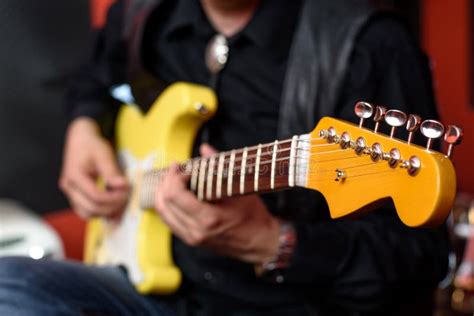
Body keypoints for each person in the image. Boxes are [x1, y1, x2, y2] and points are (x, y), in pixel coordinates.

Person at [0, 0, 449, 315]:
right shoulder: (142, 12)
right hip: (145, 286)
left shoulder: (367, 45)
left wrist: (275, 243)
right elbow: (93, 81)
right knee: (11, 282)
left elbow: (419, 262)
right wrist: (84, 127)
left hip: (282, 306)